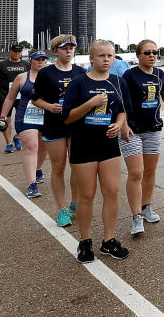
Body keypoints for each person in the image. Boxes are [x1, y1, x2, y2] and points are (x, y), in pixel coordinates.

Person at [62, 39, 131, 263]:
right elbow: (68, 117)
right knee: (87, 196)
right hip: (83, 145)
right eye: (101, 56)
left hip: (108, 146)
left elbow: (122, 112)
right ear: (91, 58)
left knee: (112, 192)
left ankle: (108, 240)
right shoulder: (78, 83)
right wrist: (90, 103)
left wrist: (119, 125)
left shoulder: (118, 82)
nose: (106, 60)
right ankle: (85, 241)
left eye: (110, 56)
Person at [121, 39, 164, 236]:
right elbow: (121, 102)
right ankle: (136, 216)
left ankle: (146, 207)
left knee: (150, 171)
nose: (152, 55)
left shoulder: (160, 74)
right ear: (138, 55)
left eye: (155, 52)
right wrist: (124, 125)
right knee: (136, 173)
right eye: (147, 52)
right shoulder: (129, 76)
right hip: (132, 129)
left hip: (153, 128)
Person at [32, 34, 86, 228]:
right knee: (59, 167)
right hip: (54, 125)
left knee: (78, 165)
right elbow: (35, 99)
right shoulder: (46, 73)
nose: (69, 51)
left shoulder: (81, 71)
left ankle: (75, 201)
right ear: (55, 51)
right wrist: (49, 106)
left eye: (72, 47)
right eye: (64, 48)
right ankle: (62, 209)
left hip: (76, 124)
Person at [0, 51, 49, 198]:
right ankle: (32, 184)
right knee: (31, 147)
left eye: (43, 60)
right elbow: (10, 98)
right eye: (37, 59)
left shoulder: (50, 76)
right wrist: (2, 117)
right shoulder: (21, 77)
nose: (40, 62)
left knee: (43, 147)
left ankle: (38, 169)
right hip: (25, 116)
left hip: (46, 116)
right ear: (30, 61)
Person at [0, 44, 30, 153]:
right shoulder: (2, 64)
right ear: (10, 52)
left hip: (22, 97)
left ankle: (17, 137)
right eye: (15, 51)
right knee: (5, 121)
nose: (17, 53)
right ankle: (9, 143)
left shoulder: (26, 64)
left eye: (19, 51)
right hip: (5, 97)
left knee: (25, 120)